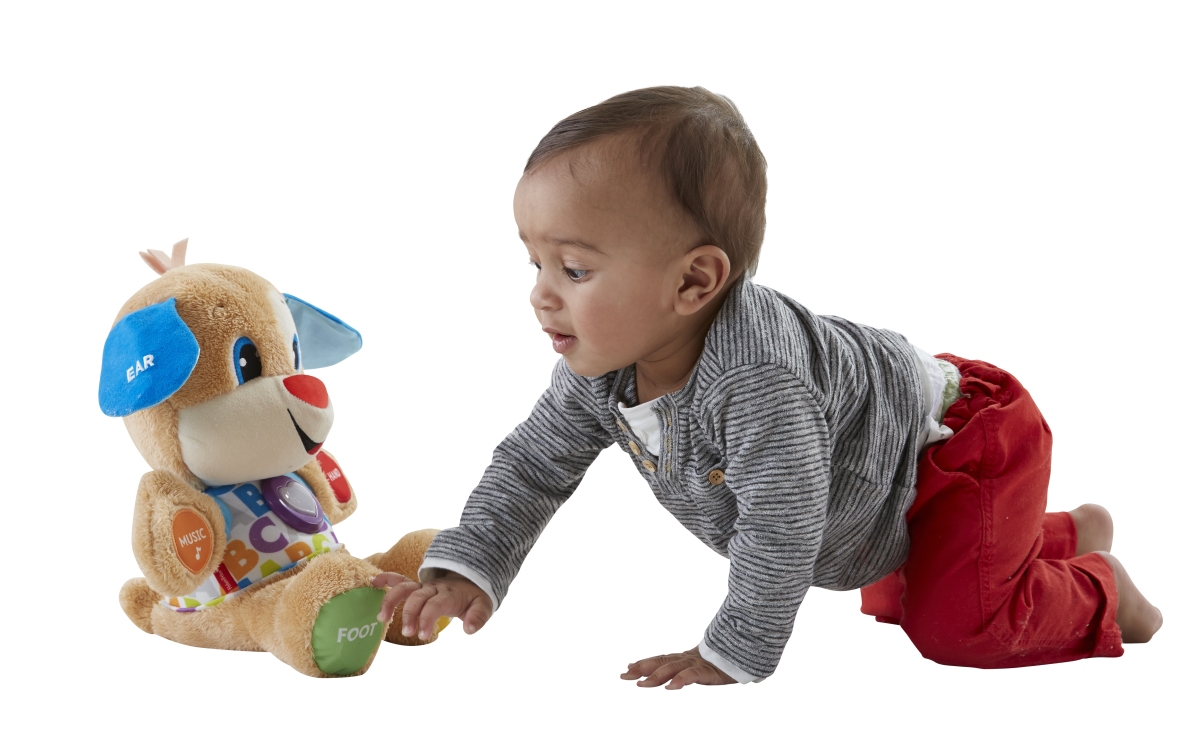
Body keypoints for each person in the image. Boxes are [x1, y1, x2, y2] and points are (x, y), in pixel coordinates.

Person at [371, 86, 1162, 688]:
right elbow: (532, 465)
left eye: (574, 269)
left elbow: (781, 523)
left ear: (694, 282)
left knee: (956, 626)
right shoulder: (604, 366)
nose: (541, 294)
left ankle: (1100, 589)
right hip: (880, 476)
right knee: (894, 584)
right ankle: (1060, 534)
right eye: (535, 262)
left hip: (965, 444)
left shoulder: (758, 383)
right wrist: (468, 567)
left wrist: (730, 651)